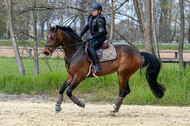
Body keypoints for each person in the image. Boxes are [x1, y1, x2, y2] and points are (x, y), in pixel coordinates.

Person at [79, 3, 107, 73]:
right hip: (94, 37)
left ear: (99, 11)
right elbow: (87, 27)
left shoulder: (101, 19)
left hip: (100, 37)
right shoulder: (91, 17)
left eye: (94, 10)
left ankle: (97, 66)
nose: (92, 12)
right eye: (92, 10)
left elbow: (100, 32)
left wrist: (91, 37)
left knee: (91, 48)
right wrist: (80, 35)